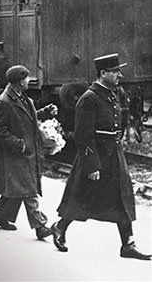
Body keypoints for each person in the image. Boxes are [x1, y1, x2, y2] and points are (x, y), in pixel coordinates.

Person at [52, 54, 151, 260]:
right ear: (103, 73)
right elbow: (83, 135)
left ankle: (128, 245)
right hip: (95, 157)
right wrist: (92, 165)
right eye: (115, 72)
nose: (119, 75)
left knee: (122, 198)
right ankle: (60, 227)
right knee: (81, 197)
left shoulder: (112, 93)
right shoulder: (89, 98)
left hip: (114, 155)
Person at [0, 65, 52, 240]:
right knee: (28, 189)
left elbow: (28, 118)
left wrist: (46, 113)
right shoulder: (3, 102)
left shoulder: (24, 99)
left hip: (27, 154)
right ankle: (40, 226)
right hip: (16, 155)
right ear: (19, 82)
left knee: (19, 188)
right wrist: (19, 145)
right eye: (26, 79)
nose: (28, 81)